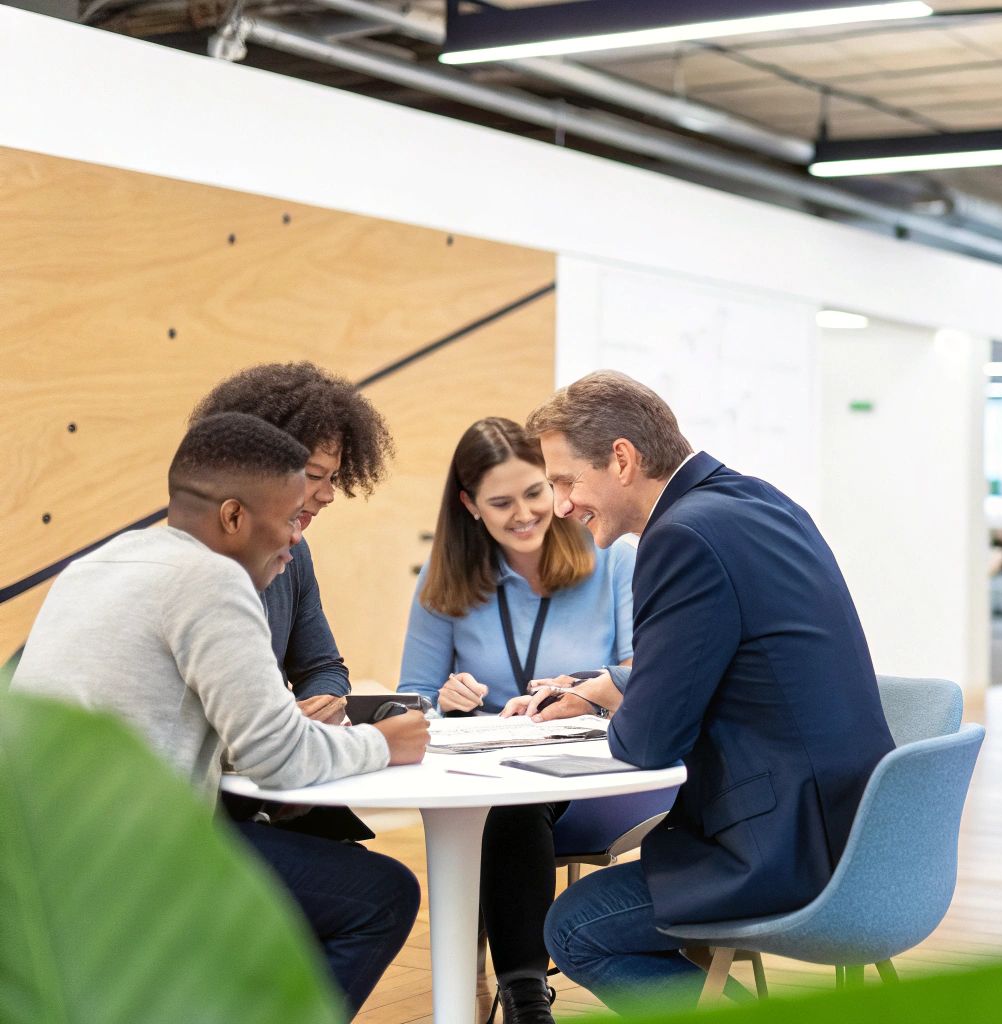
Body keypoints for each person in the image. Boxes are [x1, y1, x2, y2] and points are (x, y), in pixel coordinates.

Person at [11, 412, 427, 1019]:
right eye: (289, 520)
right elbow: (278, 760)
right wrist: (384, 742)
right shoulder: (211, 580)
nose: (294, 541)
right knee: (382, 895)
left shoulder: (98, 563)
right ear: (233, 517)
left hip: (36, 851)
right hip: (127, 861)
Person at [504, 371, 895, 1012]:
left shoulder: (679, 539)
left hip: (785, 847)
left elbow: (647, 744)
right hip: (857, 828)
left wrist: (624, 703)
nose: (562, 504)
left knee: (575, 928)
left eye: (566, 481)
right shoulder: (756, 501)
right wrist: (614, 685)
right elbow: (740, 659)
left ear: (623, 460)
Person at [396, 417, 666, 1024]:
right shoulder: (444, 583)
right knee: (510, 802)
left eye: (536, 492)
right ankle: (525, 999)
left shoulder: (614, 559)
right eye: (500, 501)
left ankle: (520, 994)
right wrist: (445, 698)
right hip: (496, 788)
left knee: (511, 806)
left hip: (605, 781)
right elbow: (409, 702)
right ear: (469, 505)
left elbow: (642, 670)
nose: (524, 513)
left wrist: (583, 690)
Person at [191, 361, 396, 841]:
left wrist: (318, 704)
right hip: (199, 812)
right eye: (313, 476)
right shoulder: (195, 569)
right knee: (379, 891)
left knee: (358, 876)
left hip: (269, 786)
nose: (328, 495)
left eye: (334, 478)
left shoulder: (293, 557)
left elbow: (323, 664)